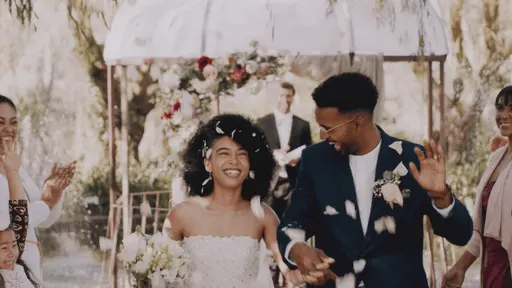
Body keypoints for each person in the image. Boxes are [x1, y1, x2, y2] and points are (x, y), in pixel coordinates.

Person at [277, 73, 473, 287]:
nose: (323, 136)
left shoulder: (411, 160)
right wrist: (297, 248)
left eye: (328, 128)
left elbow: (461, 235)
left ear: (358, 123)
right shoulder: (316, 160)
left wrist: (441, 196)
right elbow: (292, 222)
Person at [168, 114, 305, 287]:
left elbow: (288, 263)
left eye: (242, 154)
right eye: (224, 153)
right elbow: (163, 272)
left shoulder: (263, 215)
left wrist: (299, 272)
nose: (234, 161)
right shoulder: (180, 216)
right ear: (207, 163)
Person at [0, 95, 75, 282]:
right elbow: (10, 222)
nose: (8, 129)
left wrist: (54, 193)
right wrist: (45, 203)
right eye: (0, 122)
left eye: (14, 122)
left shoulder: (19, 169)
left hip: (27, 273)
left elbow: (44, 221)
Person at [443, 85, 512, 288]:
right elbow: (482, 228)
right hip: (492, 268)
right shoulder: (497, 158)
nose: (504, 114)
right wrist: (461, 267)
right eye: (500, 107)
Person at [257, 81, 312, 219]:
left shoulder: (303, 125)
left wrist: (297, 160)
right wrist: (274, 155)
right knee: (268, 224)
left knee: (291, 226)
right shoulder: (262, 123)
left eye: (288, 96)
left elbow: (309, 154)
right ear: (276, 97)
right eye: (281, 95)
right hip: (270, 183)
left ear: (293, 98)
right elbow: (256, 152)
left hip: (293, 183)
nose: (285, 99)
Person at [0, 133, 40, 287]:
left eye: (14, 245)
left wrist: (12, 172)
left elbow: (19, 213)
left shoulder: (15, 262)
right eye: (3, 248)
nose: (11, 253)